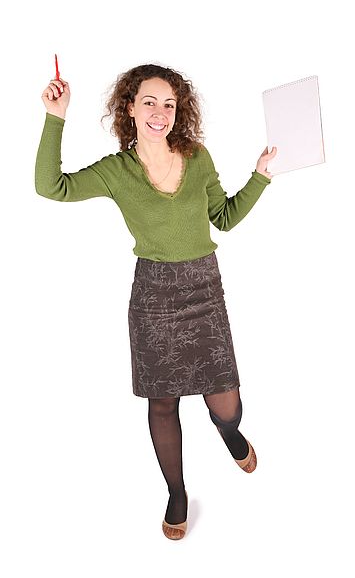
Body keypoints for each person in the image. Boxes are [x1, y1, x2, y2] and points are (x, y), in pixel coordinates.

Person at [35, 63, 277, 541]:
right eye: (149, 102)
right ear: (130, 108)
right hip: (153, 298)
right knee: (163, 404)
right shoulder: (116, 170)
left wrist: (260, 177)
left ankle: (229, 435)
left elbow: (223, 217)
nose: (160, 112)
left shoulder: (198, 158)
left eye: (169, 104)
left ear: (177, 111)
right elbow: (51, 186)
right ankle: (177, 491)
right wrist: (56, 117)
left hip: (204, 290)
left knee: (226, 406)